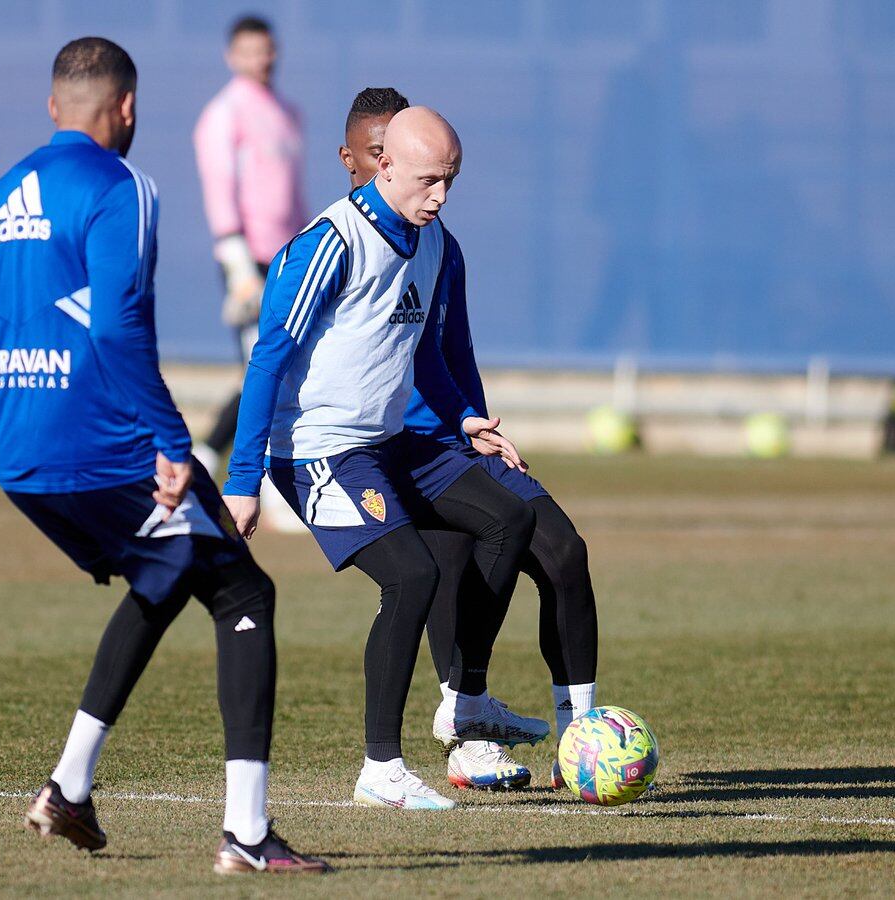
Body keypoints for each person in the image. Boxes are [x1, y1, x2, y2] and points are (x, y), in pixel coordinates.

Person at [0, 37, 326, 875]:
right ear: (128, 110)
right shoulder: (122, 187)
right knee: (243, 588)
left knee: (171, 571)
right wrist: (171, 442)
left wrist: (21, 401)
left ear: (52, 108)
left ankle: (70, 789)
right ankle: (247, 836)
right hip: (109, 447)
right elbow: (116, 327)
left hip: (20, 458)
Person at [223, 106, 550, 812]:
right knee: (413, 576)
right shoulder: (330, 243)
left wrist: (464, 416)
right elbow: (267, 361)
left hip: (388, 441)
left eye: (451, 181)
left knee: (507, 519)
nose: (439, 195)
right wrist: (243, 481)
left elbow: (421, 351)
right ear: (385, 165)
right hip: (318, 451)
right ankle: (381, 768)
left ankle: (466, 703)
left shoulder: (430, 243)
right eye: (429, 180)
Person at [339, 88, 600, 791]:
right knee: (445, 577)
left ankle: (582, 739)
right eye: (373, 157)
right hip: (400, 451)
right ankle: (467, 741)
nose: (433, 189)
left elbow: (449, 353)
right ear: (360, 162)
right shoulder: (344, 247)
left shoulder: (439, 247)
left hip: (459, 442)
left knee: (564, 554)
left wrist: (476, 424)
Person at [192, 15, 305, 480]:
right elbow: (220, 187)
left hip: (287, 256)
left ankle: (205, 455)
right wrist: (236, 260)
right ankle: (259, 478)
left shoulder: (286, 111)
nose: (261, 59)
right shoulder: (224, 113)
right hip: (248, 257)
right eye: (250, 50)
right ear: (232, 56)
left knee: (285, 369)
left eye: (267, 49)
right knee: (265, 372)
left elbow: (293, 191)